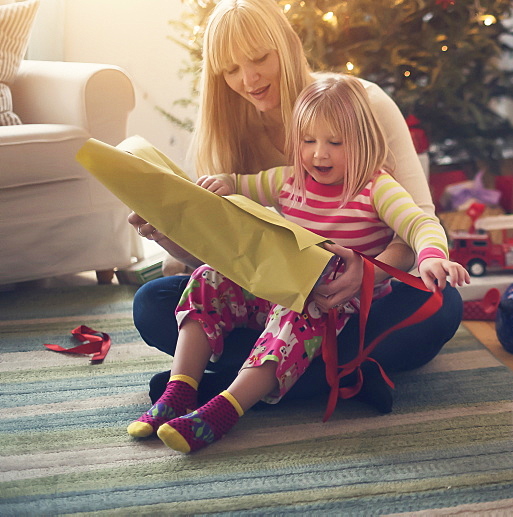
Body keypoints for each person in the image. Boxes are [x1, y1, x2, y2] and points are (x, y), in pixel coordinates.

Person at [129, 0, 463, 406]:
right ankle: (336, 377)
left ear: (287, 46)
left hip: (354, 301)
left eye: (259, 58)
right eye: (231, 69)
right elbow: (221, 258)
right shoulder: (230, 136)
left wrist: (367, 274)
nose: (248, 79)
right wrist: (165, 231)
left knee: (442, 304)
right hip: (276, 303)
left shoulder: (362, 104)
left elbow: (417, 223)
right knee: (153, 302)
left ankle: (228, 386)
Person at [128, 75, 471, 453]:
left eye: (335, 143)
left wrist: (433, 256)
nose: (318, 155)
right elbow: (242, 185)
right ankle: (179, 391)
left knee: (314, 306)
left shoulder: (378, 188)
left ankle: (224, 408)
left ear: (363, 142)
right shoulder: (289, 180)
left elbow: (420, 223)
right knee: (206, 278)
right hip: (278, 291)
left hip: (333, 307)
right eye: (308, 141)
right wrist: (221, 184)